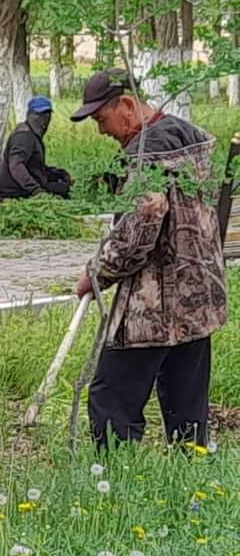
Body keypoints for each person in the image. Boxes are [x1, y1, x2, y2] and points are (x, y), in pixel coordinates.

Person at [71, 68, 227, 449]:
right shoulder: (189, 142)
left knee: (111, 400)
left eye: (101, 119)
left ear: (126, 104)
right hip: (198, 299)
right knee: (186, 407)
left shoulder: (147, 154)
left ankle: (112, 481)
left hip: (151, 307)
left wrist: (99, 270)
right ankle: (188, 482)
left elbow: (142, 224)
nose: (101, 131)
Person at [0, 96, 72, 201]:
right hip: (16, 192)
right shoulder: (24, 136)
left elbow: (34, 167)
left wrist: (58, 173)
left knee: (64, 187)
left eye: (47, 115)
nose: (44, 120)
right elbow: (16, 166)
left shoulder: (32, 134)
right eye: (39, 115)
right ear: (30, 115)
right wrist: (36, 191)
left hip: (25, 188)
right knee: (63, 192)